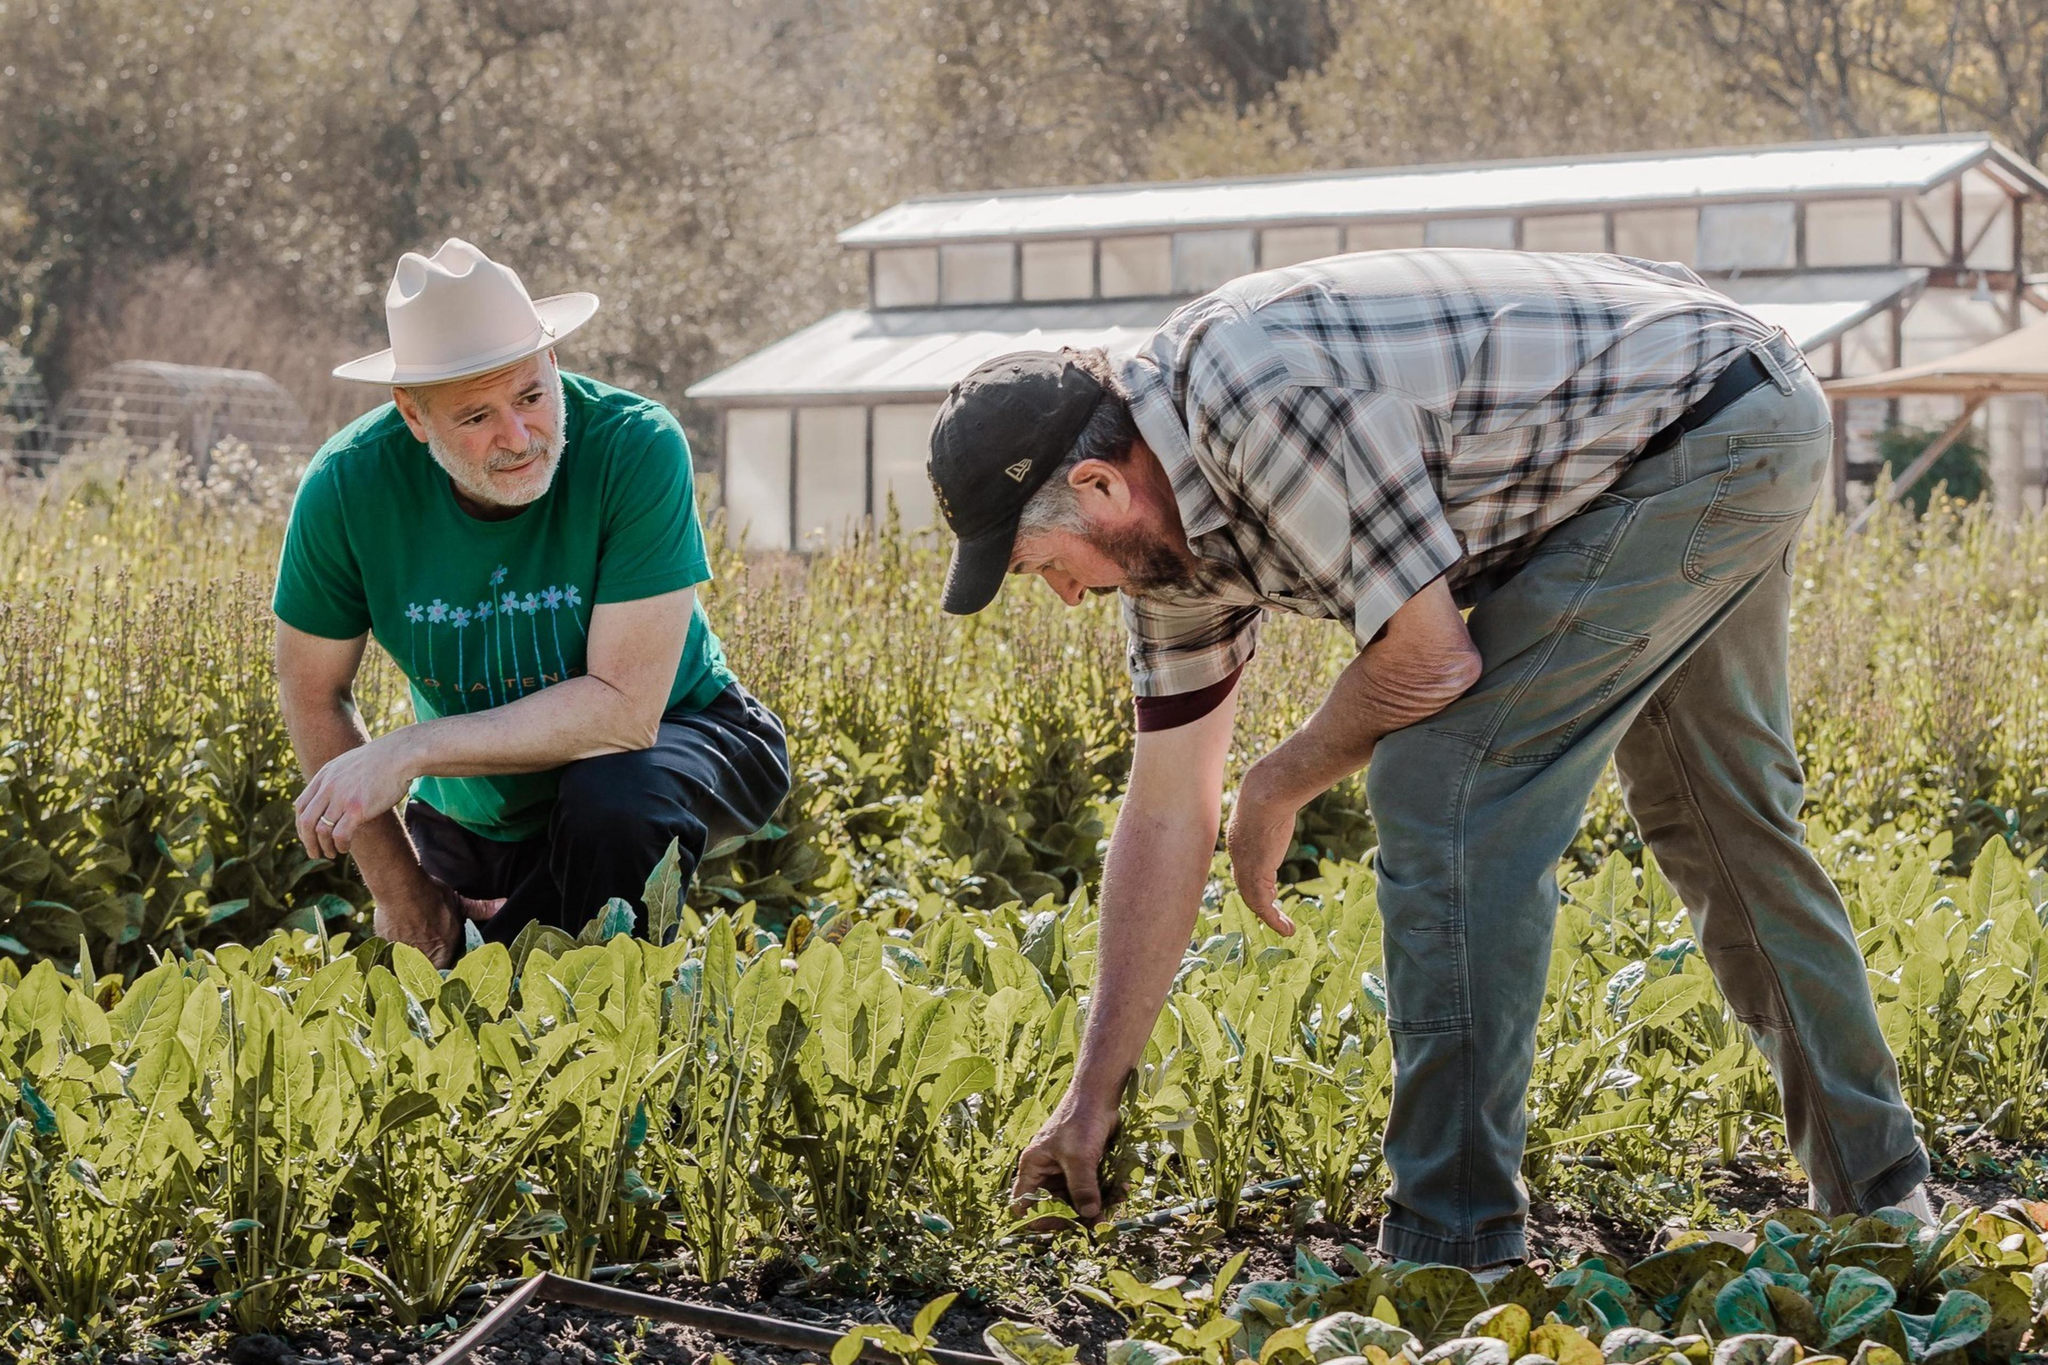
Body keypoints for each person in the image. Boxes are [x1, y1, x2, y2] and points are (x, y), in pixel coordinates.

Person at [928, 248, 1935, 1273]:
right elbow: (1162, 815)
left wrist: (1278, 780)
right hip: (1720, 416)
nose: (1060, 595)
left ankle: (1451, 1252)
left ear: (1099, 488)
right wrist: (1089, 1097)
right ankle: (1881, 1200)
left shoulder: (1253, 397)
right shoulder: (1165, 553)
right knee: (1716, 816)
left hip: (1701, 421)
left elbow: (1426, 661)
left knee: (1443, 786)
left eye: (1038, 565)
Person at [274, 238, 789, 967]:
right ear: (413, 416)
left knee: (610, 806)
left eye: (529, 397)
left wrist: (409, 749)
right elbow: (312, 687)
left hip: (680, 734)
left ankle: (615, 1041)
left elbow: (623, 711)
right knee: (465, 983)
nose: (518, 438)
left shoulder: (635, 447)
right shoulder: (348, 488)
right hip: (486, 808)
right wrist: (401, 893)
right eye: (475, 417)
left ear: (552, 362)